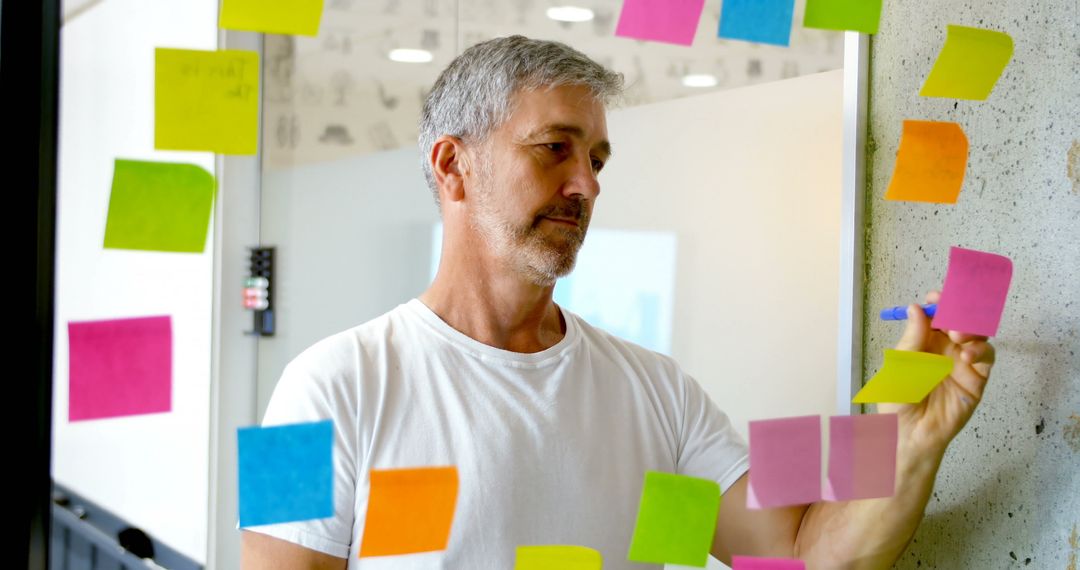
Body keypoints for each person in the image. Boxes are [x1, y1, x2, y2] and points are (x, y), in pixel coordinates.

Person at [242, 35, 995, 569]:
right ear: (453, 166)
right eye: (554, 149)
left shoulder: (657, 391)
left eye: (597, 159)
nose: (588, 185)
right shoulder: (322, 385)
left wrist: (910, 441)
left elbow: (803, 556)